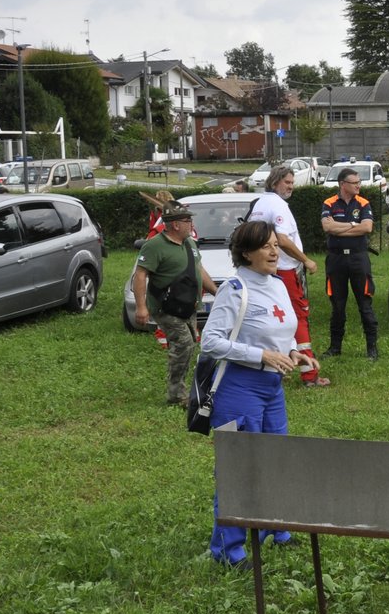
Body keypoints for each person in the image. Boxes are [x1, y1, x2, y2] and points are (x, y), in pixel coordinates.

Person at [201, 220, 313, 568]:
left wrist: (293, 351)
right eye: (265, 246)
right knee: (240, 469)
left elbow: (283, 330)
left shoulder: (278, 284)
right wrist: (262, 355)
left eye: (275, 244)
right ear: (246, 253)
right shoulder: (234, 289)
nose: (274, 251)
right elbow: (210, 341)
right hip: (239, 387)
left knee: (275, 460)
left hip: (271, 387)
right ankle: (228, 551)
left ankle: (273, 529)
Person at [131, 205, 218, 406]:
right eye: (188, 221)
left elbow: (199, 269)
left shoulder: (189, 243)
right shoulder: (154, 246)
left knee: (189, 345)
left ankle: (179, 386)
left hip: (188, 305)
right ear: (176, 225)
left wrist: (216, 292)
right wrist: (141, 307)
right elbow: (140, 275)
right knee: (184, 344)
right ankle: (176, 394)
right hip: (166, 308)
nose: (192, 225)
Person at [251, 166, 329, 387]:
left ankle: (273, 368)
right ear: (275, 182)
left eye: (292, 182)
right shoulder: (277, 206)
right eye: (287, 182)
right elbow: (283, 240)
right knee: (298, 318)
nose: (291, 186)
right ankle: (309, 375)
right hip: (284, 270)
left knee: (268, 319)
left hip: (263, 270)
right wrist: (306, 260)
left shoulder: (259, 204)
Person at [320, 166, 379, 360]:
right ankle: (335, 347)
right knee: (337, 305)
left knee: (365, 303)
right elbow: (327, 227)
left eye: (359, 183)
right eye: (354, 183)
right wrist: (354, 225)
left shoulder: (363, 203)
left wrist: (340, 228)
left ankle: (372, 348)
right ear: (343, 184)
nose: (358, 186)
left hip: (358, 258)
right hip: (336, 259)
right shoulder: (329, 203)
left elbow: (367, 227)